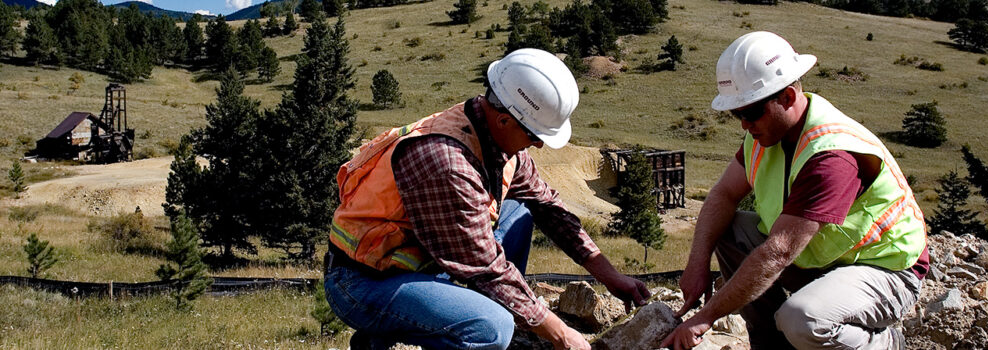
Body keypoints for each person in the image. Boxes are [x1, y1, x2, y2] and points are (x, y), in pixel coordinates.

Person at [324, 48, 650, 350]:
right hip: (364, 282)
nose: (537, 146)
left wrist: (610, 275)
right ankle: (395, 330)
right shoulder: (447, 163)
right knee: (491, 328)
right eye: (535, 135)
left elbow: (549, 208)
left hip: (423, 264)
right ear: (505, 120)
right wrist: (560, 333)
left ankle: (472, 313)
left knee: (520, 212)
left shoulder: (492, 131)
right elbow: (485, 267)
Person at [662, 31, 930, 350]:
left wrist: (705, 317)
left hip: (885, 268)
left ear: (787, 97)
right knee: (730, 229)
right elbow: (723, 195)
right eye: (737, 114)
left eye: (750, 113)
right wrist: (697, 263)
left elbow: (777, 253)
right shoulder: (766, 134)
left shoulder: (832, 157)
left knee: (803, 320)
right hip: (822, 259)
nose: (744, 125)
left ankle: (885, 343)